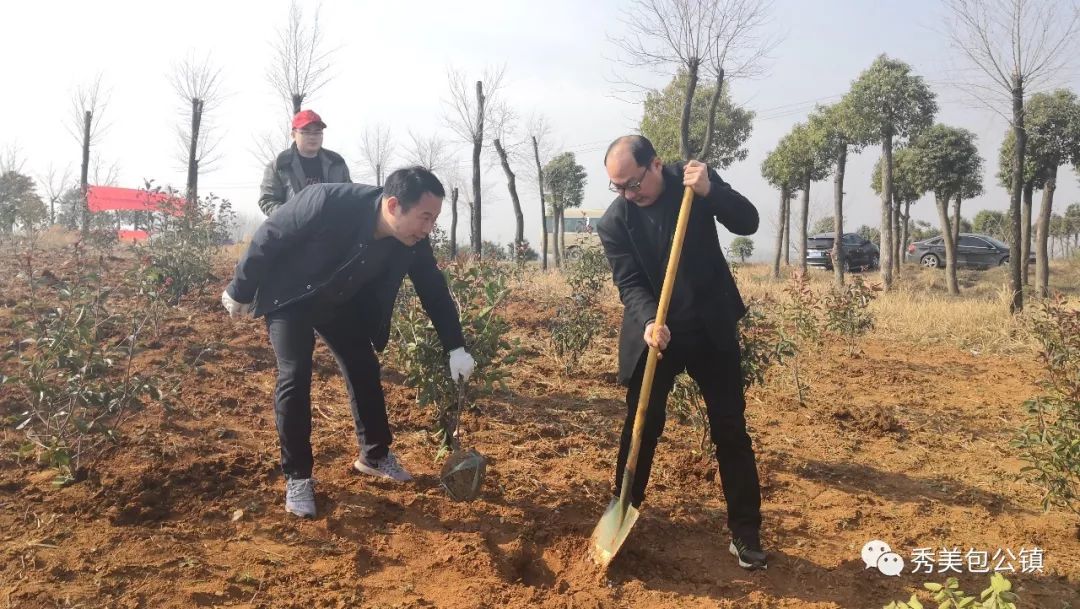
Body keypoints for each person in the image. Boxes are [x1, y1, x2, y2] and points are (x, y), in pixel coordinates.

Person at [221, 166, 476, 519]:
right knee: (295, 376)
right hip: (291, 297)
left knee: (362, 364)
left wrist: (456, 347)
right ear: (392, 205)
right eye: (425, 217)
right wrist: (240, 288)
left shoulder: (413, 241)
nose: (428, 228)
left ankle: (374, 455)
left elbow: (432, 288)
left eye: (433, 219)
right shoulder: (327, 201)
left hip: (337, 302)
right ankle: (298, 477)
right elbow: (271, 233)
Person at [596, 135, 766, 570]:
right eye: (617, 188)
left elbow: (748, 222)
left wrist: (714, 191)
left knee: (730, 428)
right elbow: (629, 282)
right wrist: (651, 321)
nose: (628, 195)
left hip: (711, 328)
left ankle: (745, 534)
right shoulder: (615, 221)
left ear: (655, 164)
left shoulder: (693, 184)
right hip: (658, 335)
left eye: (633, 184)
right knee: (641, 426)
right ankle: (622, 513)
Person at [258, 109, 351, 215]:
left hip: (333, 227)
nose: (312, 137)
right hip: (295, 229)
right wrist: (292, 215)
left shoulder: (336, 163)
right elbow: (267, 201)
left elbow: (350, 195)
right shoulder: (280, 166)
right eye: (306, 132)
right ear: (293, 134)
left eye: (317, 132)